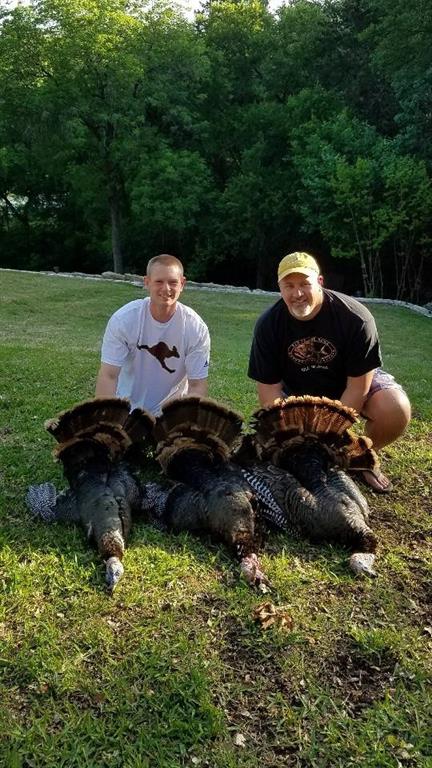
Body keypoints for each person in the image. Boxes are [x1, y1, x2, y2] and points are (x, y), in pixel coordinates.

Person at [248, 251, 411, 492]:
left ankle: (361, 456)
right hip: (298, 391)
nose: (297, 293)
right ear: (279, 287)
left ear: (320, 282)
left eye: (305, 284)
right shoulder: (268, 325)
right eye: (289, 285)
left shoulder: (356, 318)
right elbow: (269, 393)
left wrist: (328, 438)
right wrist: (292, 440)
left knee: (395, 408)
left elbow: (358, 387)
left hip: (348, 384)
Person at [95, 254, 210, 415]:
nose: (166, 288)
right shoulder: (124, 320)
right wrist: (106, 419)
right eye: (159, 282)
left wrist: (187, 422)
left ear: (182, 284)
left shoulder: (196, 327)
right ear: (147, 282)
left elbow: (197, 385)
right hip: (127, 410)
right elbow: (109, 375)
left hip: (172, 413)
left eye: (172, 282)